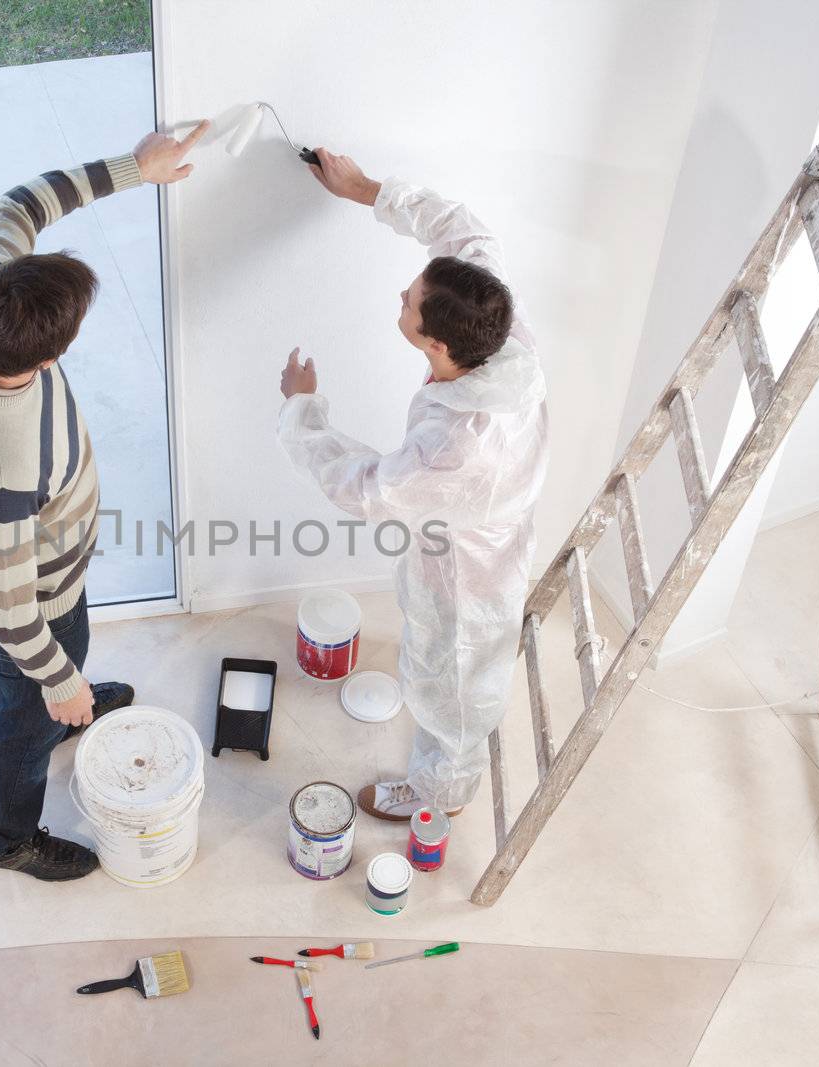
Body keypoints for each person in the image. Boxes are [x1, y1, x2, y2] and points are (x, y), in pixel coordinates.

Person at [0, 120, 209, 880]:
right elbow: (11, 611)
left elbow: (17, 205)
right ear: (50, 358)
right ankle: (5, 834)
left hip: (51, 576)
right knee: (25, 706)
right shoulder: (2, 472)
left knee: (67, 656)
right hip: (28, 598)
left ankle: (66, 698)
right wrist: (59, 681)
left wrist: (135, 168)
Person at [276, 148, 549, 821]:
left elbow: (367, 488)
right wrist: (362, 188)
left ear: (434, 346)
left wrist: (302, 410)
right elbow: (465, 232)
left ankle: (441, 798)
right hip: (488, 518)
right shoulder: (495, 325)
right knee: (448, 672)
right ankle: (443, 776)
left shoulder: (456, 449)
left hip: (467, 569)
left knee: (451, 686)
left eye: (409, 303)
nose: (401, 296)